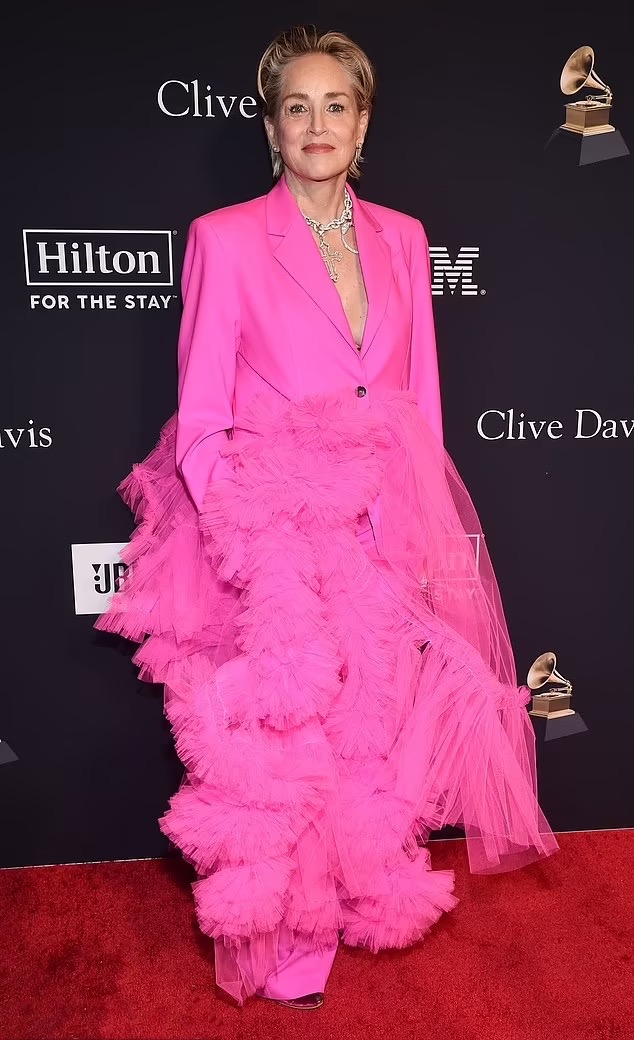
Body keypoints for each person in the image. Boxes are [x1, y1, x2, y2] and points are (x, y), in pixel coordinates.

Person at [96, 24, 559, 1011]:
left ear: (363, 123)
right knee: (283, 747)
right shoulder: (224, 237)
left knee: (367, 733)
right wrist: (250, 540)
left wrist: (419, 523)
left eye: (335, 106)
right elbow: (204, 416)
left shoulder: (404, 237)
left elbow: (419, 401)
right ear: (271, 128)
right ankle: (288, 946)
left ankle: (350, 900)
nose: (317, 125)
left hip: (380, 520)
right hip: (273, 537)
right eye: (296, 107)